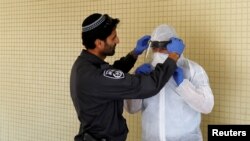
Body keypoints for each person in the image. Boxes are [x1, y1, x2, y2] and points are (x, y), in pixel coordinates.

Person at [70, 14, 185, 141]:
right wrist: (173, 56)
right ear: (99, 43)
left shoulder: (84, 65)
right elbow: (150, 85)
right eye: (113, 38)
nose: (117, 41)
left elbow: (112, 73)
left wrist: (134, 54)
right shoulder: (94, 76)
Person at [124, 24, 214, 141]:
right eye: (155, 47)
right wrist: (136, 83)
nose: (158, 52)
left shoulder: (192, 70)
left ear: (175, 47)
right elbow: (131, 109)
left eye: (163, 48)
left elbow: (207, 106)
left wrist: (183, 85)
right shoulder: (147, 72)